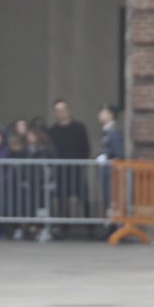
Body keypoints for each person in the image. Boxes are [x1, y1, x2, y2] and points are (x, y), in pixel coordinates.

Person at [48, 98, 92, 233]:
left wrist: (82, 163)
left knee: (83, 197)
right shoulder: (53, 130)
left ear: (68, 110)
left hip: (77, 168)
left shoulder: (79, 128)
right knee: (61, 199)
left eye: (64, 109)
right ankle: (63, 226)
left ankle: (90, 227)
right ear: (55, 112)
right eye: (59, 110)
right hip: (60, 170)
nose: (62, 113)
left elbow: (85, 147)